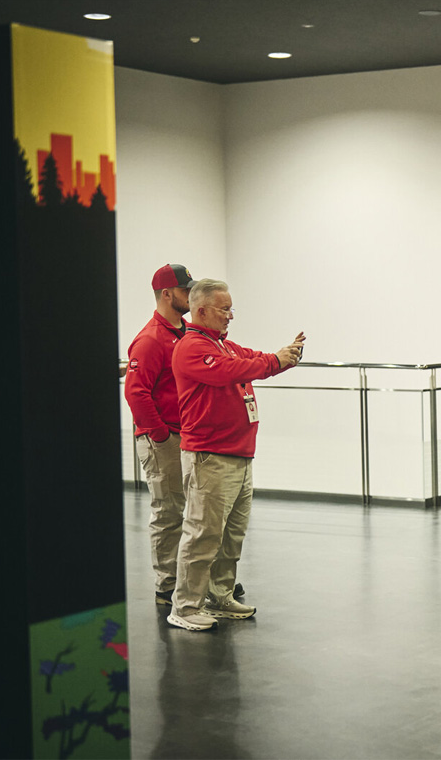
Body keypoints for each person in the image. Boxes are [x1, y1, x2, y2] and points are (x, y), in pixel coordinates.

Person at [167, 278, 305, 631]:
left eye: (231, 309)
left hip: (238, 454)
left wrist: (283, 357)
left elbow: (253, 359)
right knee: (202, 534)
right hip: (210, 456)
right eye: (224, 309)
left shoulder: (223, 345)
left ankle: (220, 595)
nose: (230, 315)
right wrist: (274, 361)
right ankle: (185, 607)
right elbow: (233, 370)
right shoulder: (192, 347)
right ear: (201, 311)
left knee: (231, 535)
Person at [124, 263, 194, 606]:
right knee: (168, 511)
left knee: (193, 511)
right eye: (185, 290)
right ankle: (168, 584)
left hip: (189, 435)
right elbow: (136, 392)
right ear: (167, 294)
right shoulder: (151, 339)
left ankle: (192, 580)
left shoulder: (187, 333)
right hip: (163, 438)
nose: (191, 295)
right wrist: (160, 435)